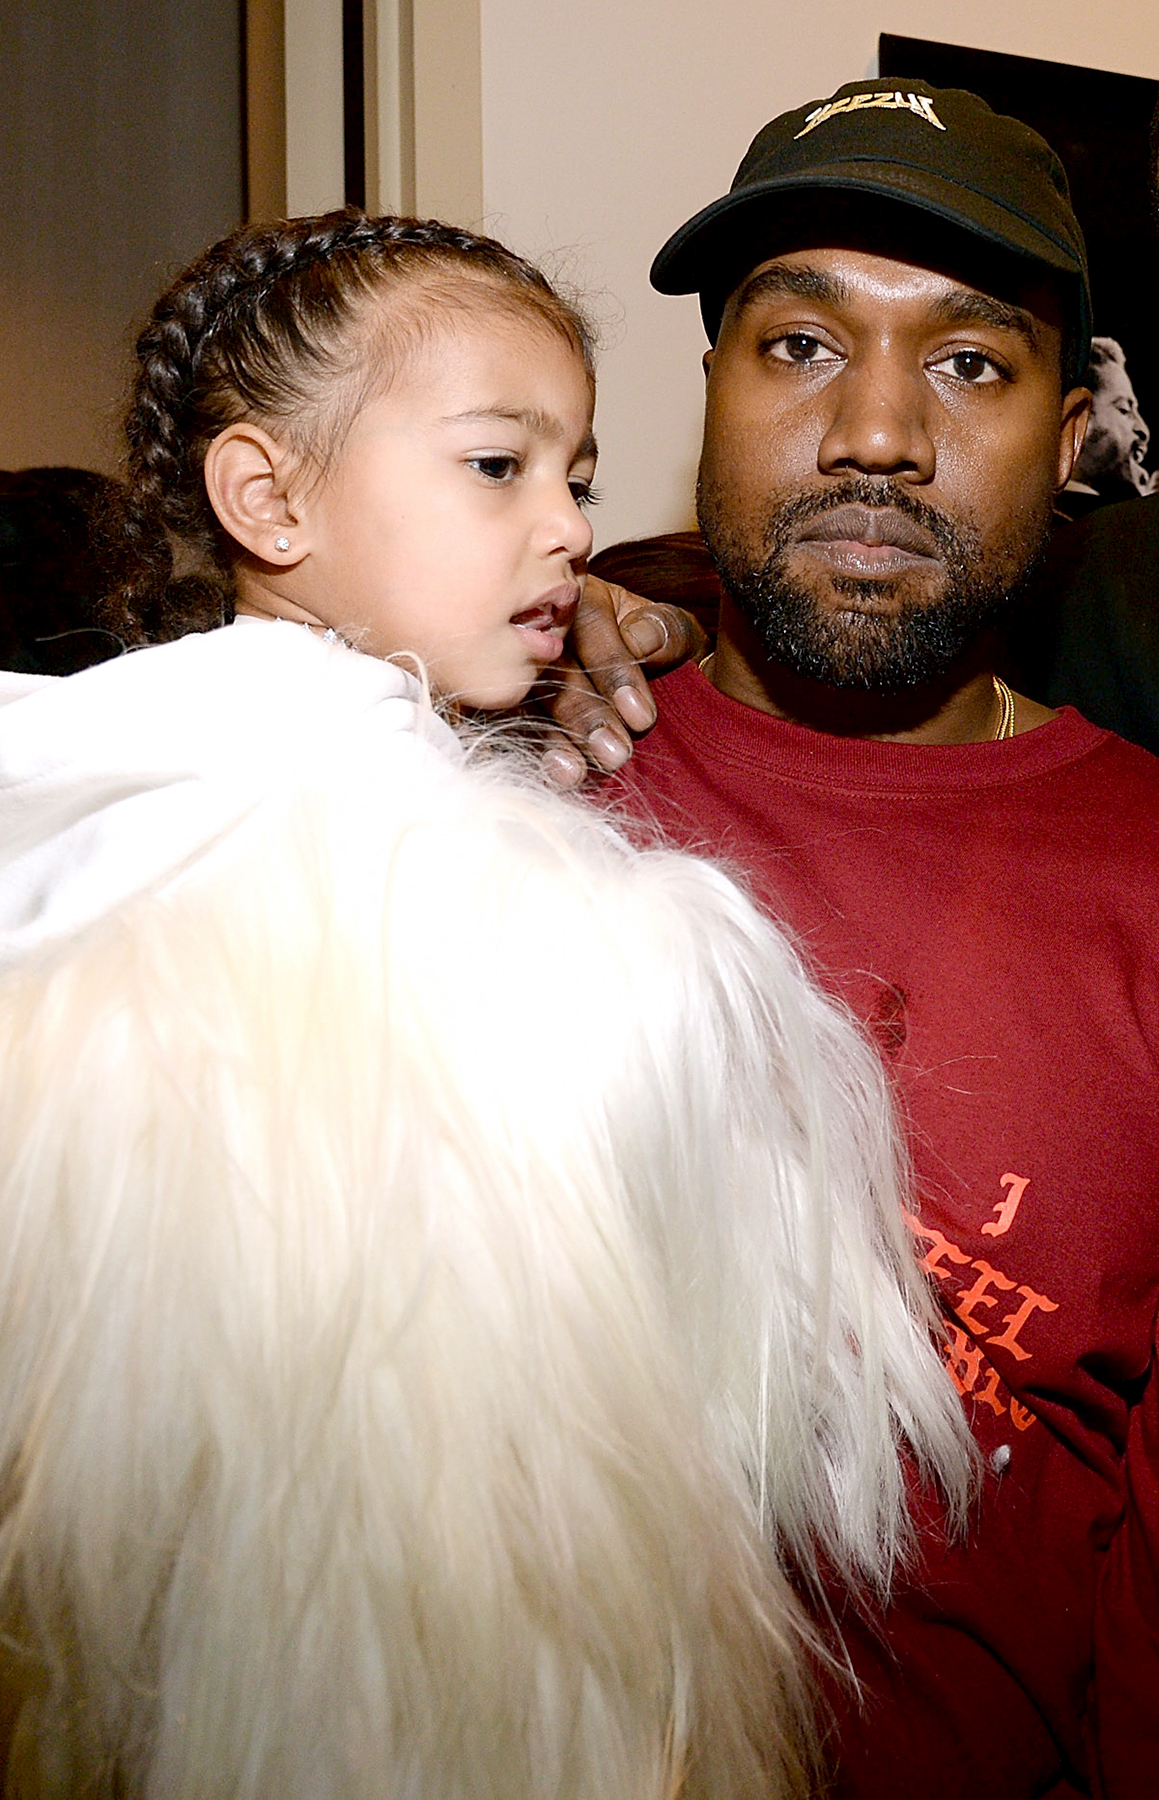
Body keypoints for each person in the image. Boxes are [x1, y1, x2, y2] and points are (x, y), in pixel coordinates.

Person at [0, 210, 972, 1799]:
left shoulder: (112, 783)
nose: (565, 530)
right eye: (496, 468)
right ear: (266, 496)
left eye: (579, 477)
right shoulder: (529, 927)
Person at [575, 79, 1159, 1800]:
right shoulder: (508, 764)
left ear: (1072, 440)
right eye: (799, 345)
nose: (875, 434)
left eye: (969, 363)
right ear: (707, 393)